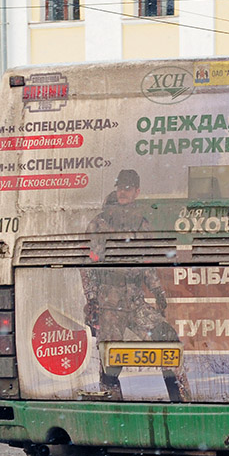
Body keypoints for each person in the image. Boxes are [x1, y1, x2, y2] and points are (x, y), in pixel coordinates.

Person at [80, 169, 190, 402]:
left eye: (128, 188)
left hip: (136, 302)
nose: (123, 192)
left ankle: (180, 401)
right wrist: (91, 299)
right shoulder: (100, 223)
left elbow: (146, 262)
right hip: (109, 304)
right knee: (110, 361)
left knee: (167, 338)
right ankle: (111, 409)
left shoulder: (142, 223)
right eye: (120, 187)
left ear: (137, 192)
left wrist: (158, 291)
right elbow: (87, 264)